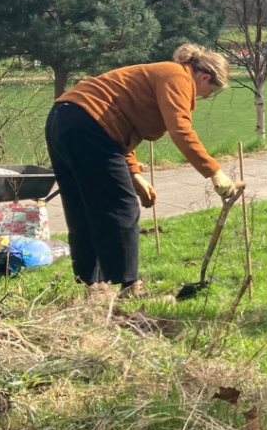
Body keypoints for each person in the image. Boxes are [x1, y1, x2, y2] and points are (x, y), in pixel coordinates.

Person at [44, 44, 239, 295]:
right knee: (122, 207)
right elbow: (181, 129)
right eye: (209, 92)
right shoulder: (177, 76)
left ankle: (91, 287)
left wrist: (134, 174)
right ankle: (127, 285)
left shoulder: (160, 75)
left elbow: (123, 122)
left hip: (64, 119)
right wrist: (214, 172)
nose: (202, 97)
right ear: (204, 77)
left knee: (84, 210)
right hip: (88, 125)